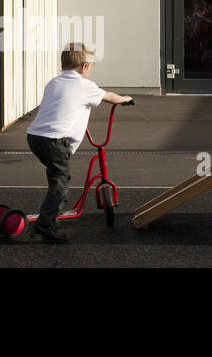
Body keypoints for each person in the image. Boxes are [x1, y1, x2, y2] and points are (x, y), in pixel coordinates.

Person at [24, 43, 132, 242]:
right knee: (61, 182)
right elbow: (109, 97)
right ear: (84, 67)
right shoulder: (85, 86)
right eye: (91, 67)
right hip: (54, 141)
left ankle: (47, 216)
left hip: (35, 137)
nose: (91, 71)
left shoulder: (54, 82)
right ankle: (46, 225)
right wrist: (125, 98)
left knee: (57, 175)